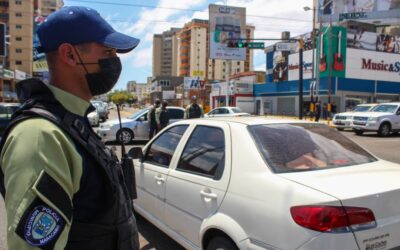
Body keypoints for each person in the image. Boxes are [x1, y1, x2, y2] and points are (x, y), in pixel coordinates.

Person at [0, 6, 140, 250]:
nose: (114, 61)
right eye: (108, 51)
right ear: (70, 54)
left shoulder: (75, 121)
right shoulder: (40, 136)